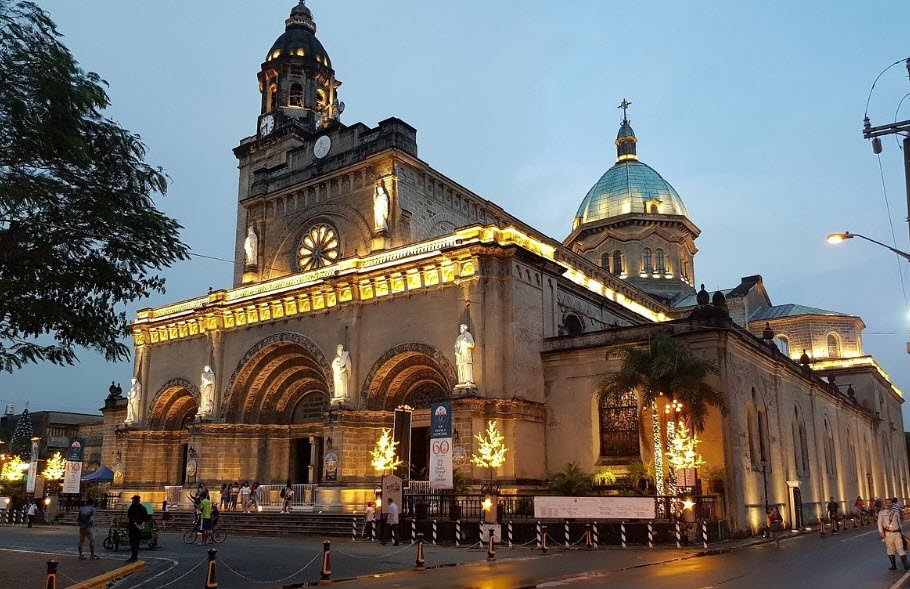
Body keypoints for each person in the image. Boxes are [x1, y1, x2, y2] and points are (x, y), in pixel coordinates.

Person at [878, 497, 909, 571]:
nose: (888, 504)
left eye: (890, 503)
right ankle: (893, 566)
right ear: (885, 504)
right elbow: (879, 523)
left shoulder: (896, 513)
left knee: (900, 548)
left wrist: (901, 532)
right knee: (890, 549)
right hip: (888, 534)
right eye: (887, 503)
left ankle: (906, 566)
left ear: (892, 504)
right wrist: (881, 532)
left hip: (897, 533)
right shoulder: (881, 513)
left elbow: (899, 523)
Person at [126, 495, 147, 562]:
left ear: (135, 500)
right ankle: (135, 556)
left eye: (133, 500)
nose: (132, 501)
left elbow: (131, 518)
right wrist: (141, 525)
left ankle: (133, 556)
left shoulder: (132, 508)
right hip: (140, 527)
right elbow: (145, 518)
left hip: (133, 527)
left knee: (133, 542)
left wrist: (136, 525)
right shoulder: (143, 508)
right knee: (137, 542)